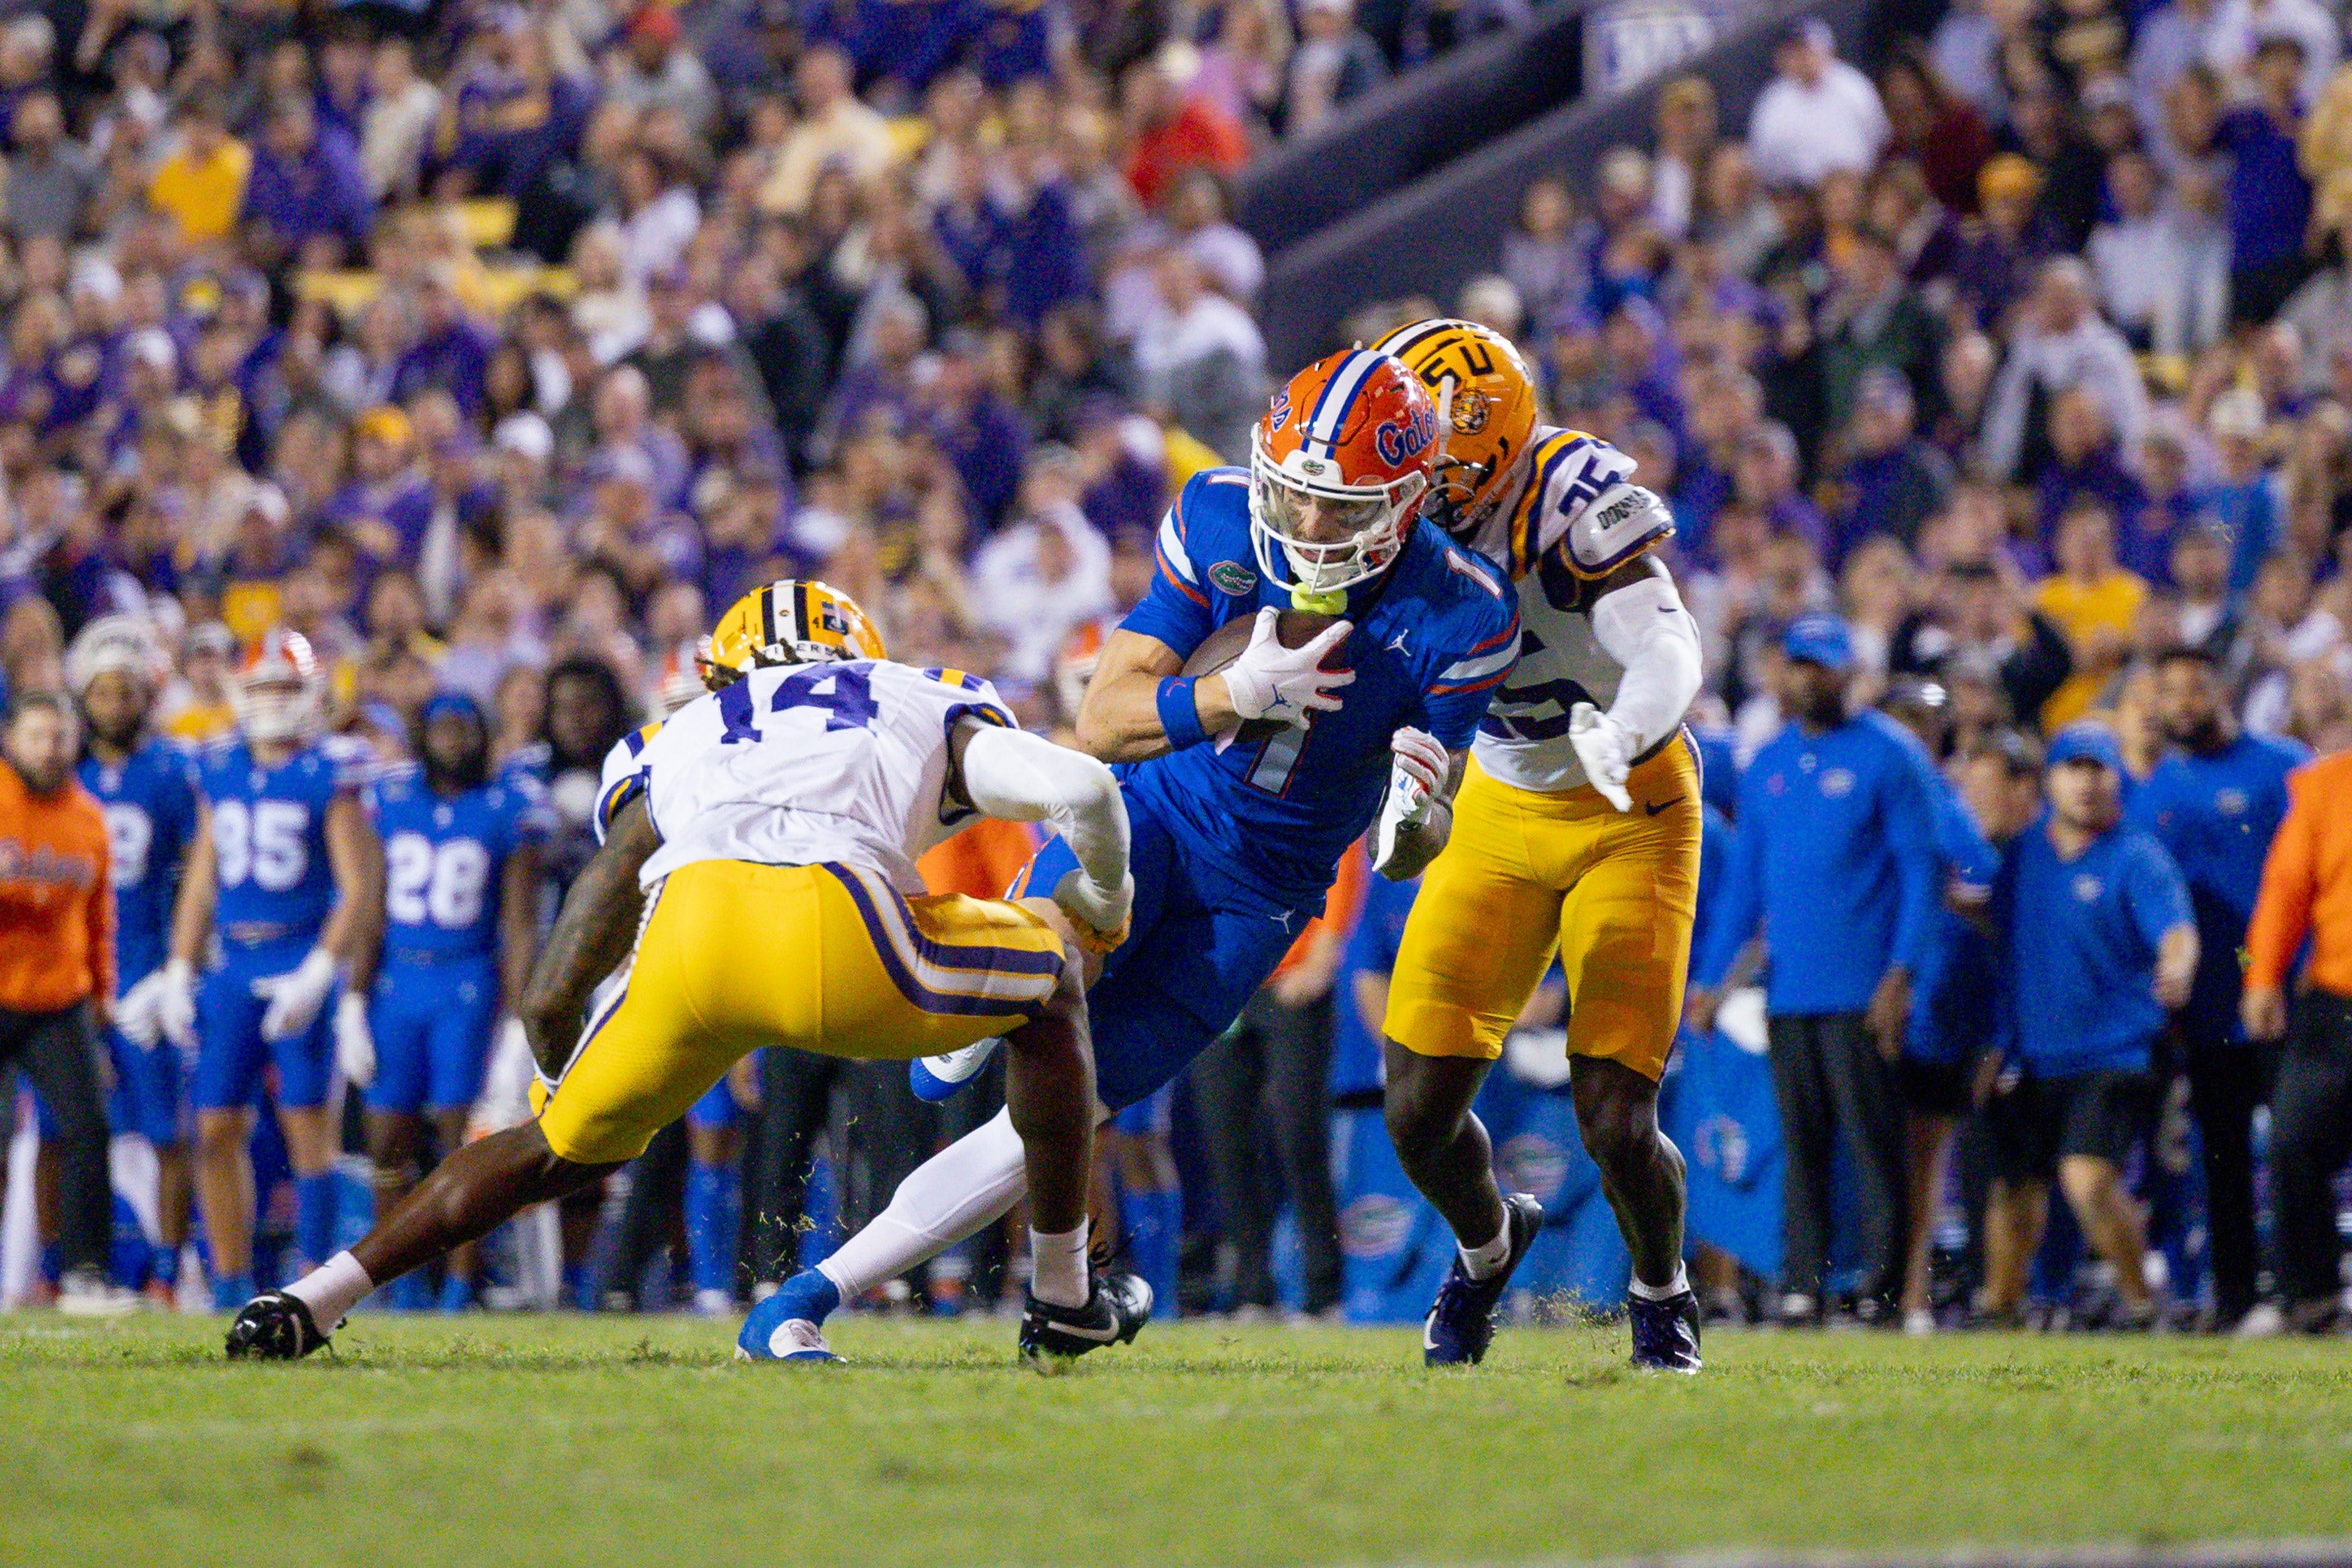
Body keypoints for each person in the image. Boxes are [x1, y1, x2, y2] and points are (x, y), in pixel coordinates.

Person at [746, 349, 1519, 1361]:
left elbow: (1418, 842)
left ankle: (809, 1295)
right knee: (989, 1029)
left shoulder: (1466, 611)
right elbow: (1104, 723)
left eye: (1339, 507)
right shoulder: (1217, 514)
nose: (1307, 526)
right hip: (1146, 815)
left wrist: (1416, 823)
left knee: (1054, 1115)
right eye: (1293, 494)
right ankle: (986, 1068)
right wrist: (1236, 695)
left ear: (1409, 501)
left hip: (1258, 902)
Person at [230, 581, 1144, 1366]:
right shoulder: (912, 692)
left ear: (721, 669)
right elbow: (1088, 789)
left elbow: (581, 933)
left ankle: (310, 1297)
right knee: (1053, 979)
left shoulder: (678, 732)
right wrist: (1104, 895)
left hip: (691, 935)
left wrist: (565, 1068)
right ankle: (1064, 1290)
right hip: (842, 921)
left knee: (547, 1146)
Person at [1363, 318, 1706, 1371]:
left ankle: (1660, 1289)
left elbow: (1664, 641)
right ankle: (1485, 1246)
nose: (1406, 493)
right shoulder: (1379, 513)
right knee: (1415, 1110)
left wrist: (1628, 726)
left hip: (1627, 802)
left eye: (1430, 467)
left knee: (1611, 1115)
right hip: (1502, 806)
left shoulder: (1564, 492)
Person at [1687, 613, 1941, 1324]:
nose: (1809, 678)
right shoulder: (1766, 764)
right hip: (1790, 991)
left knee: (1873, 1147)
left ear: (1849, 676)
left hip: (1862, 992)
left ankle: (1884, 1292)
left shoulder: (1889, 756)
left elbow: (1921, 874)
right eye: (1798, 665)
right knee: (1800, 1147)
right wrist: (1711, 982)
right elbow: (1744, 892)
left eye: (1823, 666)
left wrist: (1901, 974)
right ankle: (1805, 1284)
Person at [158, 630, 383, 1310]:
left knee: (306, 1124)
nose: (274, 702)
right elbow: (202, 879)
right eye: (262, 688)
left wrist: (321, 971)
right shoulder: (219, 765)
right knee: (216, 1125)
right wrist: (178, 964)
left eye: (286, 687)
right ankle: (228, 1283)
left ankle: (312, 1287)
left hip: (297, 956)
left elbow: (358, 884)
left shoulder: (330, 770)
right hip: (233, 964)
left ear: (313, 692)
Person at [1981, 726, 2196, 1329]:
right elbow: (1997, 934)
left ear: (2116, 781)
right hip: (2034, 1053)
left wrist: (2177, 966)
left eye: (2097, 769)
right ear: (2049, 781)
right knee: (2012, 1192)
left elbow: (2175, 930)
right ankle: (1998, 1312)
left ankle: (2140, 1303)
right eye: (2072, 769)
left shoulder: (2136, 856)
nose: (2085, 782)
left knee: (2086, 1178)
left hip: (2115, 1049)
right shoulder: (2022, 855)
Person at [340, 691, 548, 1312]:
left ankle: (461, 1283)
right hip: (398, 983)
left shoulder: (506, 806)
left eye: (465, 730)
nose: (454, 742)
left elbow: (518, 925)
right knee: (385, 1138)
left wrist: (517, 1019)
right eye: (442, 730)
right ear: (422, 736)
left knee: (465, 1137)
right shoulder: (394, 801)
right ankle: (393, 1281)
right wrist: (353, 999)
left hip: (467, 983)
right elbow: (372, 909)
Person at [2128, 646, 2307, 1328]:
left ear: (2220, 691)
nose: (2182, 703)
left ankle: (2306, 1290)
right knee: (2222, 1155)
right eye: (2167, 691)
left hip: (2288, 993)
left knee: (2300, 1146)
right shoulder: (2156, 791)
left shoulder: (2283, 767)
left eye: (2194, 688)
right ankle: (2236, 1299)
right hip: (2205, 1008)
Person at [67, 615, 201, 1308]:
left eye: (126, 691)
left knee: (167, 1131)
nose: (114, 705)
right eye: (102, 692)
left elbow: (197, 879)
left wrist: (178, 970)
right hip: (73, 976)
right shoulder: (63, 773)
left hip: (144, 965)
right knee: (62, 1132)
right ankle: (60, 1269)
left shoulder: (171, 773)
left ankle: (169, 1271)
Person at [0, 688, 129, 1315]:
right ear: (11, 740)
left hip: (58, 997)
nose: (49, 749)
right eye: (36, 736)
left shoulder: (87, 816)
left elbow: (100, 914)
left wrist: (103, 992)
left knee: (88, 1130)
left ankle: (82, 1274)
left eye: (59, 736)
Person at [2239, 743, 2352, 1333]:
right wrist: (2261, 976)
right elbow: (2285, 887)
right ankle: (2310, 1297)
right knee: (2292, 1138)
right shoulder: (2324, 785)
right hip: (2335, 1000)